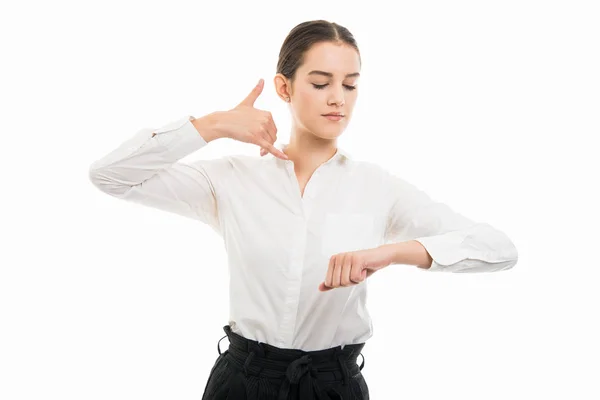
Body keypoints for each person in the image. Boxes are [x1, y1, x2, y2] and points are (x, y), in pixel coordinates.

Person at [89, 19, 519, 400]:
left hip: (334, 386)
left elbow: (498, 250)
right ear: (284, 87)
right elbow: (110, 176)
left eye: (350, 84)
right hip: (243, 384)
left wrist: (388, 253)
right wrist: (213, 125)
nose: (339, 99)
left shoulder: (376, 186)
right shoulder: (231, 179)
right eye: (321, 83)